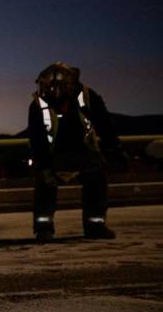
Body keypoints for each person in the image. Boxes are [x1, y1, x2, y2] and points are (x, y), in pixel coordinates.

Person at [27, 62, 124, 241]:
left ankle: (95, 226)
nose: (54, 91)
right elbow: (37, 140)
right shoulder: (37, 106)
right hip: (53, 156)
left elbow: (105, 125)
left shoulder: (88, 97)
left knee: (97, 179)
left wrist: (115, 149)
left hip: (85, 153)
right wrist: (45, 167)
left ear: (70, 86)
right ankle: (43, 228)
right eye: (49, 86)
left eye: (60, 87)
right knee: (44, 183)